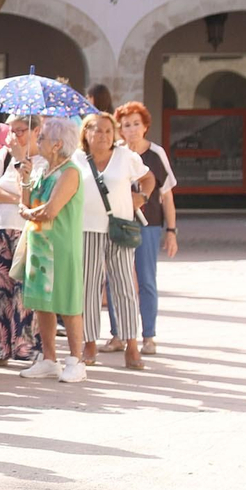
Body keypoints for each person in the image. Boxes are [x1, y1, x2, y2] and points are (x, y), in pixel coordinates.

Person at [74, 112, 151, 369]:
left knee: (125, 286)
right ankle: (90, 342)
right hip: (86, 229)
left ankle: (131, 344)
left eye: (109, 131)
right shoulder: (77, 159)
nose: (104, 136)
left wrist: (143, 197)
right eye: (98, 130)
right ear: (86, 133)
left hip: (119, 229)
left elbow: (148, 177)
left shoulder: (126, 157)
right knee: (89, 287)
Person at [19, 118, 88, 383]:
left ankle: (76, 360)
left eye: (42, 137)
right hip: (40, 244)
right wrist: (23, 179)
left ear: (58, 144)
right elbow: (27, 203)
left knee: (67, 303)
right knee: (42, 303)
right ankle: (49, 358)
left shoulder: (70, 171)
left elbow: (50, 209)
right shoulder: (43, 169)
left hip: (61, 245)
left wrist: (26, 212)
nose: (38, 141)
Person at [116, 102, 178, 355]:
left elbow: (168, 195)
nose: (131, 130)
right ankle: (118, 334)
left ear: (145, 127)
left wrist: (171, 231)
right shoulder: (116, 153)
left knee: (146, 279)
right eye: (126, 125)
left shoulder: (155, 154)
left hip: (148, 223)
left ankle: (148, 335)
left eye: (136, 124)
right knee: (117, 280)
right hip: (118, 222)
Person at [0, 115, 40, 365]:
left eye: (22, 131)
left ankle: (26, 345)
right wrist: (16, 200)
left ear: (36, 131)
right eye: (12, 130)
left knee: (25, 289)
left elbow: (34, 197)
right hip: (0, 226)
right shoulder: (3, 156)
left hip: (28, 229)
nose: (15, 136)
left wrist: (21, 161)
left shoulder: (44, 159)